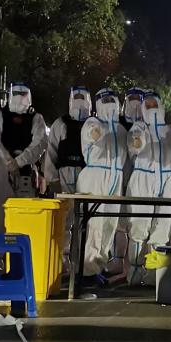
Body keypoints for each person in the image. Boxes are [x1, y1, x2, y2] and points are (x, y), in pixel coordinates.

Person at [125, 91, 171, 284]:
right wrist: (137, 140)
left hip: (167, 179)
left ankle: (154, 274)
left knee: (162, 227)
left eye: (154, 104)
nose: (152, 108)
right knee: (139, 225)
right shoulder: (138, 127)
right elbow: (134, 148)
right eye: (147, 105)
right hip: (143, 177)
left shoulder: (170, 131)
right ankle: (135, 271)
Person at [77, 88, 129, 279]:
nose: (110, 104)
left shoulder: (121, 130)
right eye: (105, 101)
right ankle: (86, 269)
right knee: (94, 225)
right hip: (95, 177)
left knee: (109, 224)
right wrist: (102, 128)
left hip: (116, 178)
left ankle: (98, 266)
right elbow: (93, 135)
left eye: (112, 100)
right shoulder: (92, 123)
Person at [0, 82, 48, 233]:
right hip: (3, 169)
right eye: (16, 94)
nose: (20, 98)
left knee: (26, 214)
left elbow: (39, 143)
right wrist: (8, 161)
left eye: (23, 94)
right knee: (0, 212)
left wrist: (20, 161)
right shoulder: (0, 115)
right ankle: (0, 245)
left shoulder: (36, 118)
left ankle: (24, 245)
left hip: (27, 169)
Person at [43, 86, 92, 195]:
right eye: (76, 97)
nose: (79, 101)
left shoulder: (94, 125)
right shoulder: (60, 124)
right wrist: (53, 179)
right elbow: (51, 152)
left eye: (82, 97)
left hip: (87, 176)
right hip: (64, 177)